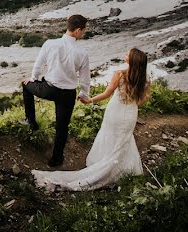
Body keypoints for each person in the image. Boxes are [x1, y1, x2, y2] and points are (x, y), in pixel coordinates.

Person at [32, 47, 152, 191]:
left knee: (110, 136)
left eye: (128, 54)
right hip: (131, 113)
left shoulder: (120, 74)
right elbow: (141, 101)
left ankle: (105, 168)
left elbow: (107, 93)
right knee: (123, 140)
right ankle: (122, 170)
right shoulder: (143, 78)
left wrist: (90, 100)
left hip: (116, 111)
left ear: (132, 60)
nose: (125, 54)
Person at [21, 14, 90, 167]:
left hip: (49, 89)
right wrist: (84, 94)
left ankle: (31, 122)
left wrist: (33, 78)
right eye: (84, 30)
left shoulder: (50, 44)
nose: (84, 33)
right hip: (68, 94)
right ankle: (56, 159)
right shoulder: (82, 53)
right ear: (78, 30)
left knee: (26, 86)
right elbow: (85, 79)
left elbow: (38, 65)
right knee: (62, 127)